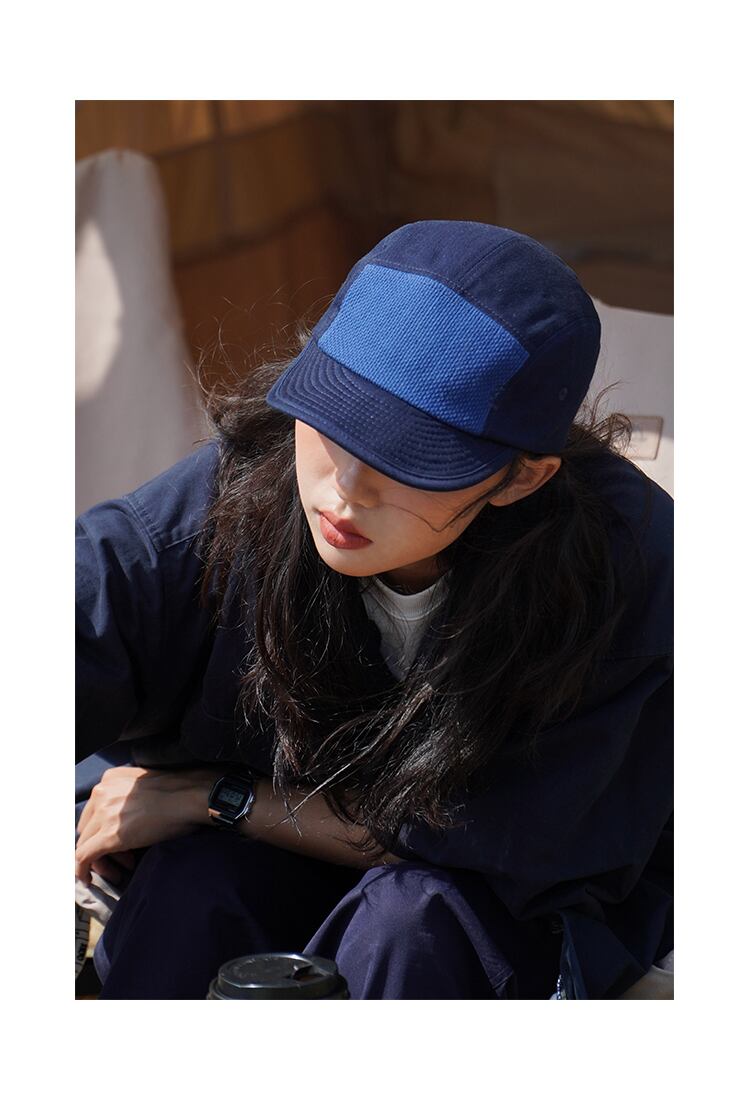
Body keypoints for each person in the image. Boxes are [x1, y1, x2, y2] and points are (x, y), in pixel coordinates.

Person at [75, 220, 673, 999]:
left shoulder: (631, 570)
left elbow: (499, 846)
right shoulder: (229, 497)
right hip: (261, 872)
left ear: (521, 477)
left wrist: (213, 796)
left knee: (412, 922)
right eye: (334, 420)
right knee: (195, 890)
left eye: (410, 457)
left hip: (479, 920)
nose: (346, 488)